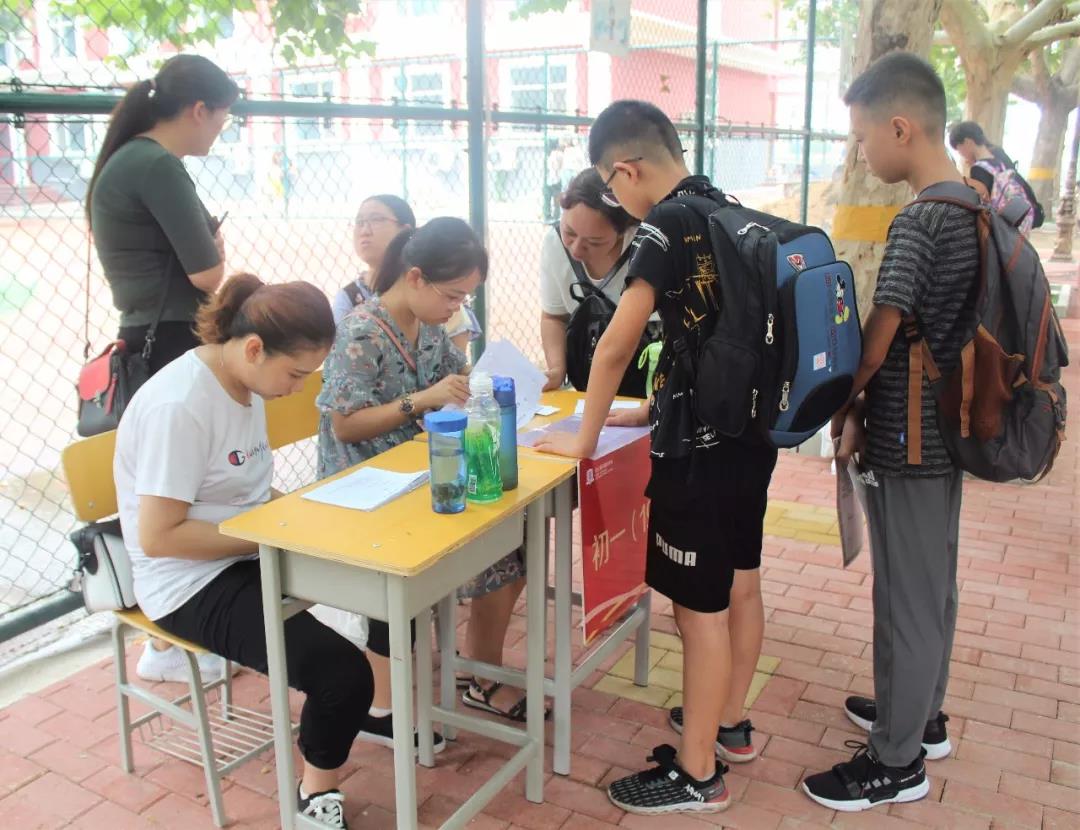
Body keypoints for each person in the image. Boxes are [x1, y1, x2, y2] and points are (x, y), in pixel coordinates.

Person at [535, 100, 778, 816]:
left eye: (616, 190)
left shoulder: (669, 222)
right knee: (742, 586)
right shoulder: (731, 210)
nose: (621, 202)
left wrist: (583, 439)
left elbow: (617, 343)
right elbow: (713, 341)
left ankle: (697, 774)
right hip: (748, 439)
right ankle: (728, 723)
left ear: (626, 170)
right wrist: (644, 408)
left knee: (694, 614)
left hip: (697, 459)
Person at [113, 274, 370, 829]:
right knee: (342, 675)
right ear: (254, 348)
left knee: (382, 587)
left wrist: (307, 518)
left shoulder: (244, 382)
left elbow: (246, 493)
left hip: (243, 552)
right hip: (185, 582)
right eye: (296, 374)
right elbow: (160, 536)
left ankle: (380, 718)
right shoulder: (180, 406)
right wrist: (270, 534)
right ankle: (313, 800)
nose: (299, 389)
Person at [801, 52, 979, 812]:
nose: (862, 153)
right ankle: (921, 714)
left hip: (907, 439)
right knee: (932, 584)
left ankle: (897, 761)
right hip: (949, 430)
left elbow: (880, 337)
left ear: (901, 127)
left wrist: (842, 405)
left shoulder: (923, 220)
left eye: (863, 137)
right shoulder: (974, 204)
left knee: (906, 594)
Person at [317, 217, 531, 743]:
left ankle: (478, 671)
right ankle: (383, 708)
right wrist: (425, 400)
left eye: (464, 299)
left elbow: (453, 383)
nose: (457, 309)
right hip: (366, 487)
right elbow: (345, 423)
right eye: (452, 295)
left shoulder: (430, 328)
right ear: (415, 277)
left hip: (424, 473)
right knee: (410, 584)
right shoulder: (362, 330)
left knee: (510, 548)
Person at [86, 54, 240, 684]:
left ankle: (174, 638)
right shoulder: (158, 165)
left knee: (163, 489)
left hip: (143, 340)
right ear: (198, 110)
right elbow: (207, 274)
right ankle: (169, 641)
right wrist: (216, 246)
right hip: (170, 342)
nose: (220, 132)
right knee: (173, 495)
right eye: (223, 118)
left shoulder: (128, 161)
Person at [539, 168, 658, 395]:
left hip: (646, 385)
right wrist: (556, 369)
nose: (575, 249)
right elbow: (553, 316)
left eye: (594, 242)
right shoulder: (554, 243)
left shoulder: (646, 246)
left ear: (624, 231)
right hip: (586, 387)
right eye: (569, 232)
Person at [332, 195, 480, 354]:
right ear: (415, 279)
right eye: (359, 222)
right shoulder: (352, 310)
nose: (365, 230)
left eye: (376, 219)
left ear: (405, 229)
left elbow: (458, 367)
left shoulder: (431, 312)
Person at [948, 120, 1039, 235]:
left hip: (1001, 225)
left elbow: (980, 203)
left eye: (959, 148)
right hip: (1018, 216)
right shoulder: (1000, 155)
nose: (960, 153)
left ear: (968, 142)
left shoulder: (978, 169)